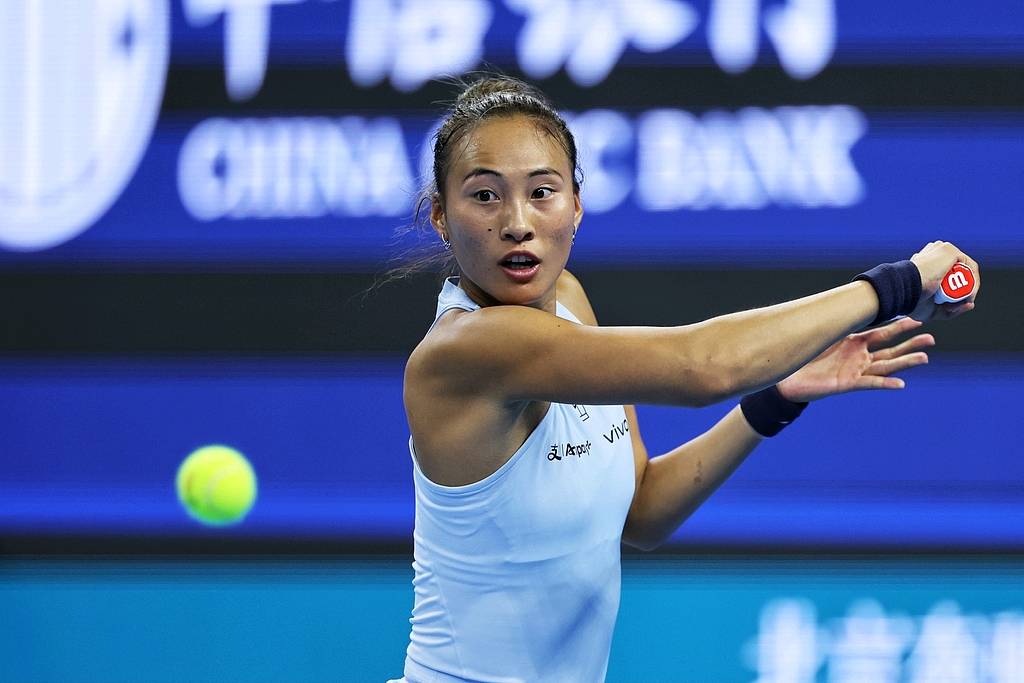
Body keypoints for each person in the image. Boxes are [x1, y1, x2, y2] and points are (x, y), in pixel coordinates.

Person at [394, 76, 979, 683]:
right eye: (485, 196)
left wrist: (776, 397)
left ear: (576, 206)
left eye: (542, 191)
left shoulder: (567, 299)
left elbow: (642, 511)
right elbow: (705, 366)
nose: (517, 222)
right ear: (441, 216)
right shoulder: (467, 349)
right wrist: (899, 284)